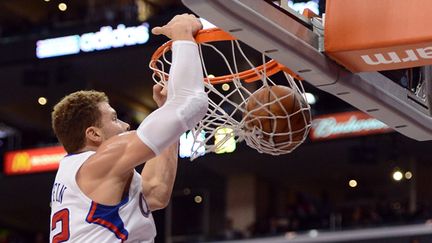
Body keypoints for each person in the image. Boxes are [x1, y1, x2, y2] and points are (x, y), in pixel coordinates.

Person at [49, 14, 207, 243]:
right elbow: (192, 102)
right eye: (114, 119)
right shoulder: (100, 162)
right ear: (93, 133)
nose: (125, 125)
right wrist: (183, 35)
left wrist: (167, 111)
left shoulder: (86, 173)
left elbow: (155, 191)